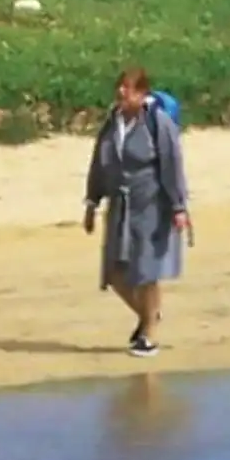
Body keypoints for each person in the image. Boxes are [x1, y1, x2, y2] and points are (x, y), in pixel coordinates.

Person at [83, 67, 189, 357]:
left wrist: (179, 207)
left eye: (128, 88)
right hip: (120, 205)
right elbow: (99, 162)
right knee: (115, 273)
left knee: (147, 270)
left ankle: (149, 337)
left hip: (152, 204)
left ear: (142, 93)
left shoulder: (158, 122)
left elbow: (172, 165)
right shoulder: (112, 122)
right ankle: (148, 315)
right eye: (119, 87)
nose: (121, 92)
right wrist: (92, 202)